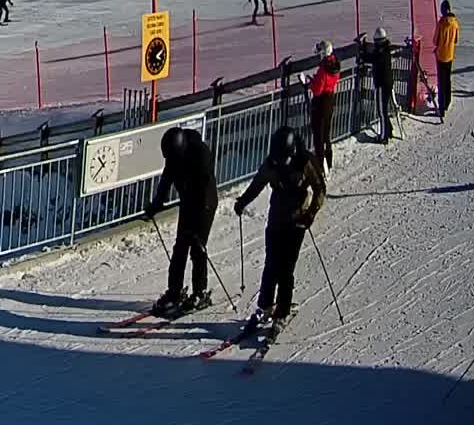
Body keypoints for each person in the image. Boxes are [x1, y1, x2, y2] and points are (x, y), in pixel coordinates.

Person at [234, 125, 326, 332]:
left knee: (286, 268)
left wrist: (310, 213)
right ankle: (265, 306)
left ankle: (282, 311)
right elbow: (258, 183)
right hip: (277, 217)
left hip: (297, 219)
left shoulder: (305, 162)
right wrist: (243, 201)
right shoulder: (272, 162)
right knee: (271, 263)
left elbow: (320, 188)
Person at [144, 126, 219, 316]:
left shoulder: (201, 154)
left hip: (205, 204)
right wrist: (156, 205)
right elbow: (166, 181)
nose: (171, 161)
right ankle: (174, 291)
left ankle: (200, 291)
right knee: (180, 248)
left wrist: (196, 224)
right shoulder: (174, 156)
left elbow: (204, 186)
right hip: (188, 202)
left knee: (197, 247)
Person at [307, 41, 340, 179]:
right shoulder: (334, 65)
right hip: (330, 99)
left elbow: (317, 89)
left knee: (318, 135)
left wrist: (310, 83)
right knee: (326, 132)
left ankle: (321, 164)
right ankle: (328, 159)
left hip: (321, 103)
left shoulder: (323, 69)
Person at [364, 28, 396, 143]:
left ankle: (383, 137)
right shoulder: (385, 49)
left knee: (381, 111)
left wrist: (362, 50)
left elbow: (372, 58)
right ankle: (388, 130)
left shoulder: (381, 52)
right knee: (383, 110)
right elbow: (373, 57)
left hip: (382, 84)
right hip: (386, 83)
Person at [437, 1, 460, 121]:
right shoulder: (455, 23)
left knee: (441, 81)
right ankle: (447, 101)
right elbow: (456, 39)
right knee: (447, 79)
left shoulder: (441, 23)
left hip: (441, 55)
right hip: (450, 55)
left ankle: (441, 107)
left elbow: (435, 39)